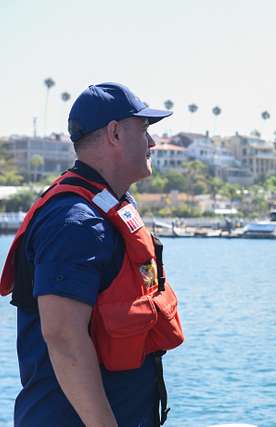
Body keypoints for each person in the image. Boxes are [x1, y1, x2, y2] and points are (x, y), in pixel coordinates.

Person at [0, 83, 185, 427]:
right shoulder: (75, 222)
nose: (152, 143)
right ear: (115, 133)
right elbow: (63, 336)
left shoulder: (109, 205)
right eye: (144, 129)